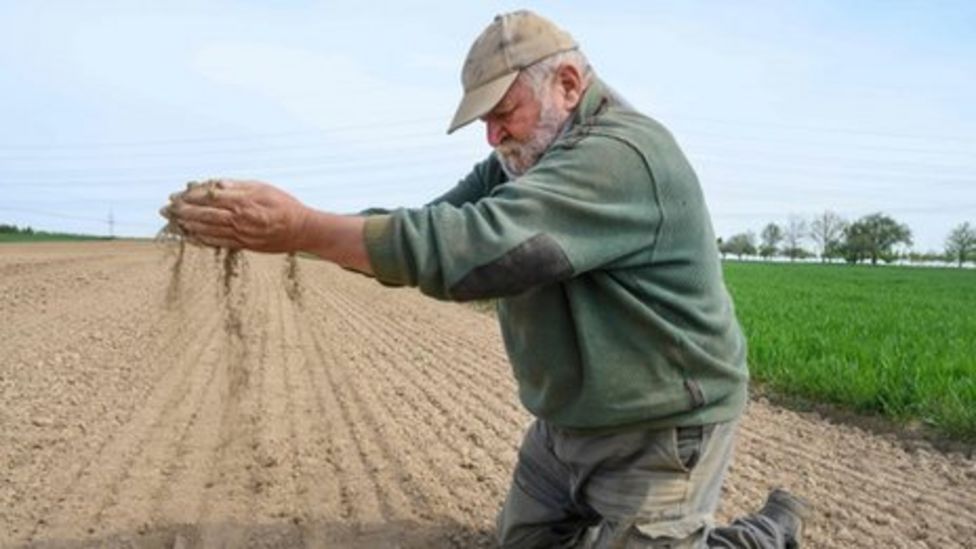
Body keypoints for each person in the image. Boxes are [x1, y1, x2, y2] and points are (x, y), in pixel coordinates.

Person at [163, 10, 811, 548]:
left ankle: (759, 535)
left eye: (504, 112)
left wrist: (302, 228)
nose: (492, 136)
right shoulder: (523, 159)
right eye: (485, 121)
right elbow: (436, 224)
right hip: (569, 422)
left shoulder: (621, 157)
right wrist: (298, 229)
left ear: (565, 81)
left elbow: (476, 253)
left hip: (662, 423)